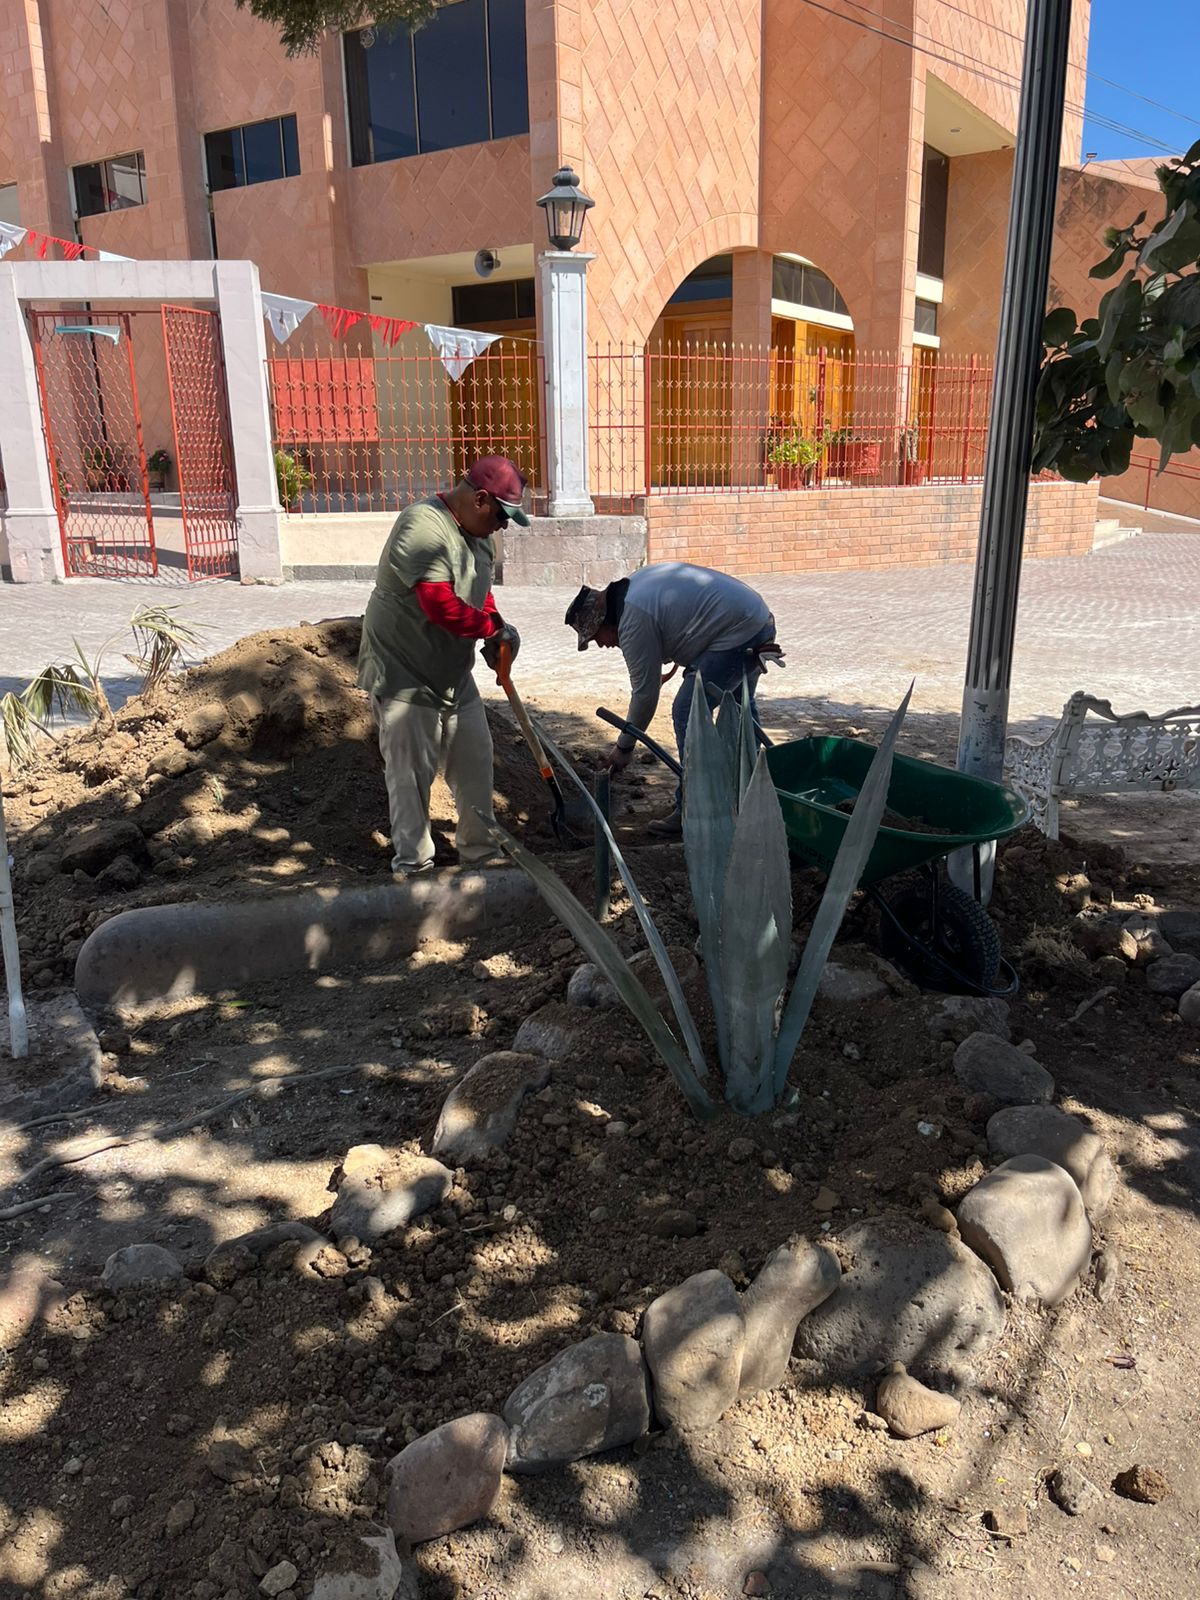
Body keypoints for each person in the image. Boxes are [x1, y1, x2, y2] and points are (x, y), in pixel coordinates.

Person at [358, 456, 527, 874]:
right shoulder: (422, 527)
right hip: (403, 673)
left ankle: (481, 854)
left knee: (475, 761)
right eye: (502, 516)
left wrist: (496, 627)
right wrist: (489, 628)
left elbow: (479, 592)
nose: (503, 526)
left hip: (452, 674)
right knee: (410, 777)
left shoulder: (481, 534)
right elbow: (441, 606)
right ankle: (413, 867)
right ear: (480, 499)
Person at [565, 562, 782, 835]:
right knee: (740, 714)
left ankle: (695, 811)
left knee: (687, 711)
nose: (602, 644)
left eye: (596, 637)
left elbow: (644, 696)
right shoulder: (634, 590)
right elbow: (676, 625)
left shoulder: (632, 621)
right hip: (755, 620)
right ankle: (759, 794)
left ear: (603, 620)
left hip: (736, 632)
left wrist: (624, 747)